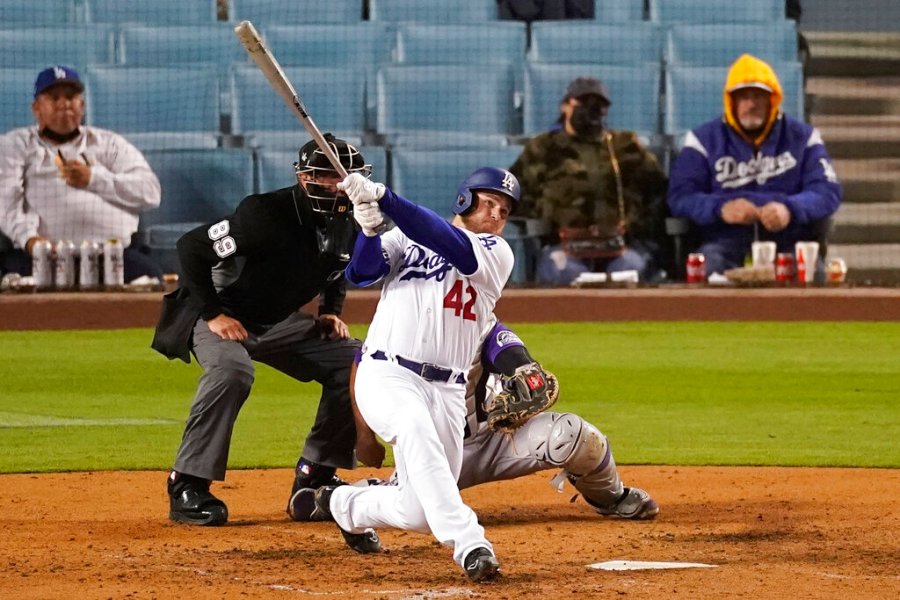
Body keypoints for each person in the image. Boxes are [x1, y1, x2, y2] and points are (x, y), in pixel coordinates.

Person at [294, 167, 520, 582]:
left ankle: (346, 505)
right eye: (488, 202)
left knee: (418, 511)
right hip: (387, 373)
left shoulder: (496, 253)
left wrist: (385, 197)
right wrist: (368, 227)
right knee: (413, 426)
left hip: (448, 392)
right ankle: (472, 544)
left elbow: (450, 243)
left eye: (503, 210)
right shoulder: (406, 237)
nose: (495, 214)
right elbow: (360, 274)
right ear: (464, 200)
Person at [151, 135, 373, 534]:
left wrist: (329, 312)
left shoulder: (355, 219)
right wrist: (214, 313)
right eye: (329, 176)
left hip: (277, 321)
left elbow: (337, 266)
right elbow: (191, 248)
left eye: (346, 176)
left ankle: (314, 481)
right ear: (305, 178)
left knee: (356, 364)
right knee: (233, 372)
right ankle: (187, 485)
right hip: (219, 312)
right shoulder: (265, 214)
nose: (340, 185)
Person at [290, 319, 659, 523]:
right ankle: (336, 499)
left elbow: (514, 355)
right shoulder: (401, 325)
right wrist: (365, 434)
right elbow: (360, 364)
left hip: (496, 440)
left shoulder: (482, 322)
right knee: (412, 508)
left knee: (571, 435)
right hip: (436, 452)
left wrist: (525, 376)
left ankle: (613, 497)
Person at [667, 54, 841, 278]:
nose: (751, 104)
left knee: (812, 272)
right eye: (743, 97)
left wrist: (789, 209)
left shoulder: (804, 137)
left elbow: (828, 191)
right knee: (706, 267)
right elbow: (680, 197)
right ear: (732, 101)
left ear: (772, 100)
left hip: (788, 240)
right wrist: (721, 208)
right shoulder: (702, 140)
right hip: (724, 242)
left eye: (759, 96)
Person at [0, 65, 163, 282]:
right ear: (36, 108)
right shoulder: (14, 145)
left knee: (156, 287)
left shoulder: (110, 143)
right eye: (53, 97)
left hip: (115, 256)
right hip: (41, 257)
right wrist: (31, 241)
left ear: (82, 105)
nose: (64, 103)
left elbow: (151, 192)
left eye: (70, 97)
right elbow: (5, 201)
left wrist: (94, 179)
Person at [509, 76, 668, 285]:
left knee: (627, 274)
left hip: (621, 246)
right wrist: (542, 220)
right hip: (563, 246)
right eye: (583, 103)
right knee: (567, 275)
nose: (592, 110)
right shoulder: (542, 148)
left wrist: (634, 225)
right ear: (566, 106)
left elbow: (660, 191)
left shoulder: (626, 146)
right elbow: (510, 194)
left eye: (599, 105)